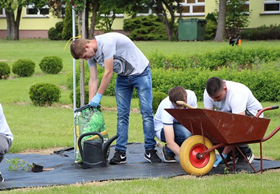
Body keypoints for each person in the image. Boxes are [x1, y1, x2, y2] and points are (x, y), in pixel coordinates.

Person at [70, 32, 161, 164]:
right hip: (123, 78)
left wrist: (99, 96)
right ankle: (120, 152)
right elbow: (93, 79)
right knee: (122, 115)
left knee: (146, 112)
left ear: (87, 46)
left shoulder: (107, 43)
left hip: (141, 73)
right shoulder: (90, 56)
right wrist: (91, 104)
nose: (86, 59)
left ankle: (150, 150)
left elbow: (108, 72)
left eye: (84, 56)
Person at [203, 77, 262, 167]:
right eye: (212, 98)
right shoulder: (208, 93)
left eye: (217, 97)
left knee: (228, 124)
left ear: (225, 89)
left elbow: (237, 125)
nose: (215, 100)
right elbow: (209, 118)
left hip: (254, 116)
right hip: (230, 115)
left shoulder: (237, 93)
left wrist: (224, 153)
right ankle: (232, 155)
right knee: (214, 125)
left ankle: (246, 153)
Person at [154, 86, 197, 162]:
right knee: (186, 134)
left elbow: (194, 121)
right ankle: (168, 152)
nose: (180, 108)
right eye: (177, 106)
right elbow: (170, 142)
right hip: (162, 130)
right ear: (172, 102)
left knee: (195, 132)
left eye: (182, 105)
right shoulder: (166, 107)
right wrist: (188, 159)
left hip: (180, 124)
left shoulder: (192, 95)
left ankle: (168, 151)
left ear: (186, 97)